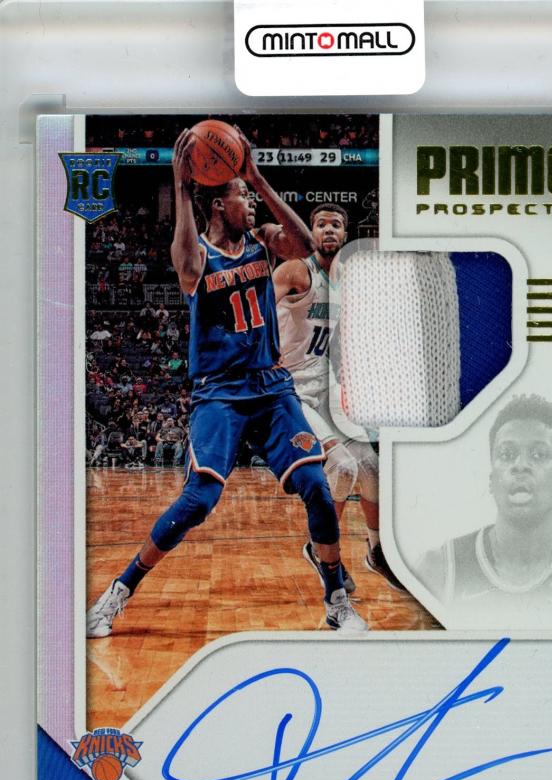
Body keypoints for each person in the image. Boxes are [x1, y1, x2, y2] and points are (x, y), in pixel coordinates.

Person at [87, 128, 367, 638]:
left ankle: (337, 601)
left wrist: (254, 176)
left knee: (317, 486)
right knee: (199, 500)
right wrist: (181, 185)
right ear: (219, 205)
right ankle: (118, 592)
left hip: (272, 388)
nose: (251, 203)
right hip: (220, 394)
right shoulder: (199, 256)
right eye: (242, 196)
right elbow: (185, 262)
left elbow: (304, 245)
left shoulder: (264, 242)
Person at [274, 204, 405, 593]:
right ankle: (319, 550)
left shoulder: (346, 282)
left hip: (328, 388)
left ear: (346, 235)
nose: (328, 230)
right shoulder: (295, 271)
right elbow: (256, 310)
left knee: (371, 468)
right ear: (311, 232)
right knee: (343, 468)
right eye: (321, 224)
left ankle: (377, 552)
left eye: (336, 225)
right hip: (291, 389)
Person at [417, 394, 552, 626]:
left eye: (538, 455)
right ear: (491, 481)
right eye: (507, 455)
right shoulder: (440, 568)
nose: (520, 466)